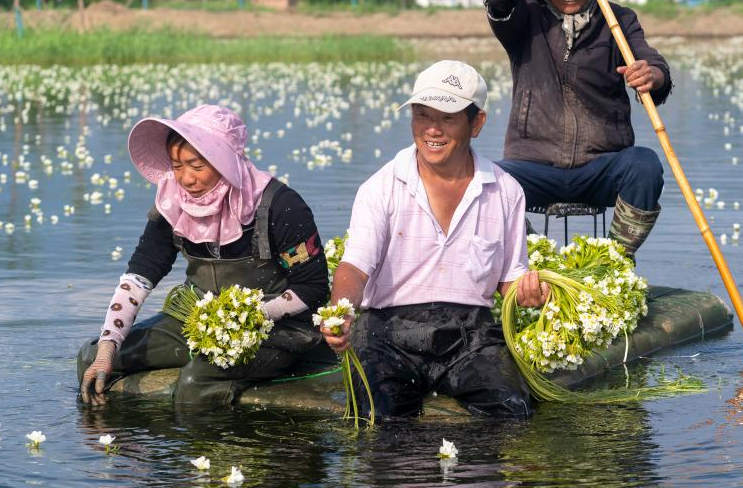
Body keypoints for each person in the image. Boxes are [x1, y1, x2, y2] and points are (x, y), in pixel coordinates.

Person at [318, 61, 548, 419]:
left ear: (477, 123)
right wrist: (339, 313)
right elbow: (355, 268)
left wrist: (531, 292)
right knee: (380, 417)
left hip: (470, 336)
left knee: (511, 412)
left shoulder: (505, 191)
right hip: (386, 333)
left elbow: (509, 279)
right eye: (422, 116)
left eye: (448, 118)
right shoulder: (381, 187)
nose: (432, 130)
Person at [77, 105, 332, 406]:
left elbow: (312, 288)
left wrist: (245, 318)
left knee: (195, 384)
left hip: (274, 328)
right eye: (177, 166)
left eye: (197, 166)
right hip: (197, 319)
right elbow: (139, 277)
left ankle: (222, 448)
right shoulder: (172, 202)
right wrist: (109, 347)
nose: (185, 179)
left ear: (224, 162)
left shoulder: (279, 205)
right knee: (90, 357)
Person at [484, 0, 673, 258]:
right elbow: (497, 0)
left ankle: (613, 265)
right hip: (533, 164)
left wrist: (651, 74)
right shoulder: (524, 15)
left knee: (645, 165)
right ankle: (531, 262)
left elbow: (654, 63)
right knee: (485, 182)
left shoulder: (618, 20)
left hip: (602, 166)